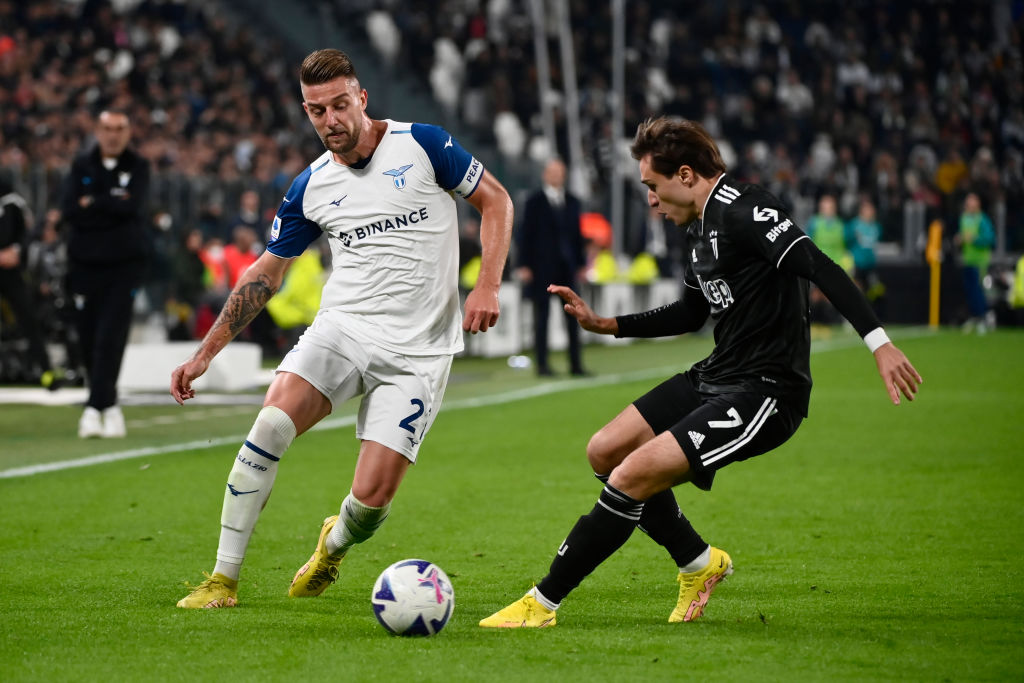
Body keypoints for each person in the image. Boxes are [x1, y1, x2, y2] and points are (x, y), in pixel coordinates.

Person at [480, 117, 921, 629]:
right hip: (716, 373)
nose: (650, 200)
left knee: (630, 476)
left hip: (766, 391)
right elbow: (690, 314)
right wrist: (607, 324)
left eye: (652, 186)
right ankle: (697, 561)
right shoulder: (698, 227)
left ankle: (544, 602)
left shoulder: (747, 209)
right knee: (605, 450)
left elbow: (819, 266)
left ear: (685, 175)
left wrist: (879, 342)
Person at [173, 48, 513, 609]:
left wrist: (488, 285)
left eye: (339, 105)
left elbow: (496, 201)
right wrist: (206, 353)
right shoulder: (310, 185)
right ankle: (222, 580)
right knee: (271, 425)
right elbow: (266, 274)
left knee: (371, 503)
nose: (330, 120)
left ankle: (331, 547)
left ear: (362, 98)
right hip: (344, 330)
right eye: (315, 111)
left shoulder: (424, 144)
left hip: (420, 355)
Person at [60, 108, 151, 438]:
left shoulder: (138, 166)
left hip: (124, 266)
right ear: (97, 131)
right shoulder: (80, 165)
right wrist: (111, 203)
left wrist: (94, 203)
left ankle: (93, 408)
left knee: (110, 337)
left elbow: (132, 207)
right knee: (87, 336)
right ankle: (108, 404)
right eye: (108, 128)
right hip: (84, 265)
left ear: (128, 132)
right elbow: (70, 211)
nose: (113, 134)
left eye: (120, 128)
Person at [516, 158, 587, 376]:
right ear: (545, 175)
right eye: (552, 172)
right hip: (541, 269)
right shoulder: (534, 202)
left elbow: (577, 236)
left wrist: (582, 264)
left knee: (573, 319)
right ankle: (542, 365)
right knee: (542, 319)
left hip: (567, 269)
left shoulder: (573, 201)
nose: (556, 176)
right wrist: (524, 264)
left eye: (559, 172)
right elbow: (524, 234)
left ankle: (575, 364)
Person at [0, 177, 55, 387]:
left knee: (28, 317)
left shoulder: (12, 200)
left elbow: (28, 234)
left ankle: (45, 370)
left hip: (11, 272)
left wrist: (16, 251)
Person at [955, 192, 995, 334]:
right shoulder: (964, 218)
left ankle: (983, 317)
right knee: (970, 291)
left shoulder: (982, 219)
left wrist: (974, 239)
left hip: (980, 261)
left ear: (977, 203)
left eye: (972, 201)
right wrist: (960, 239)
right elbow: (963, 235)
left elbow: (989, 238)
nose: (969, 204)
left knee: (979, 291)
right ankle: (975, 317)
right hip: (968, 260)